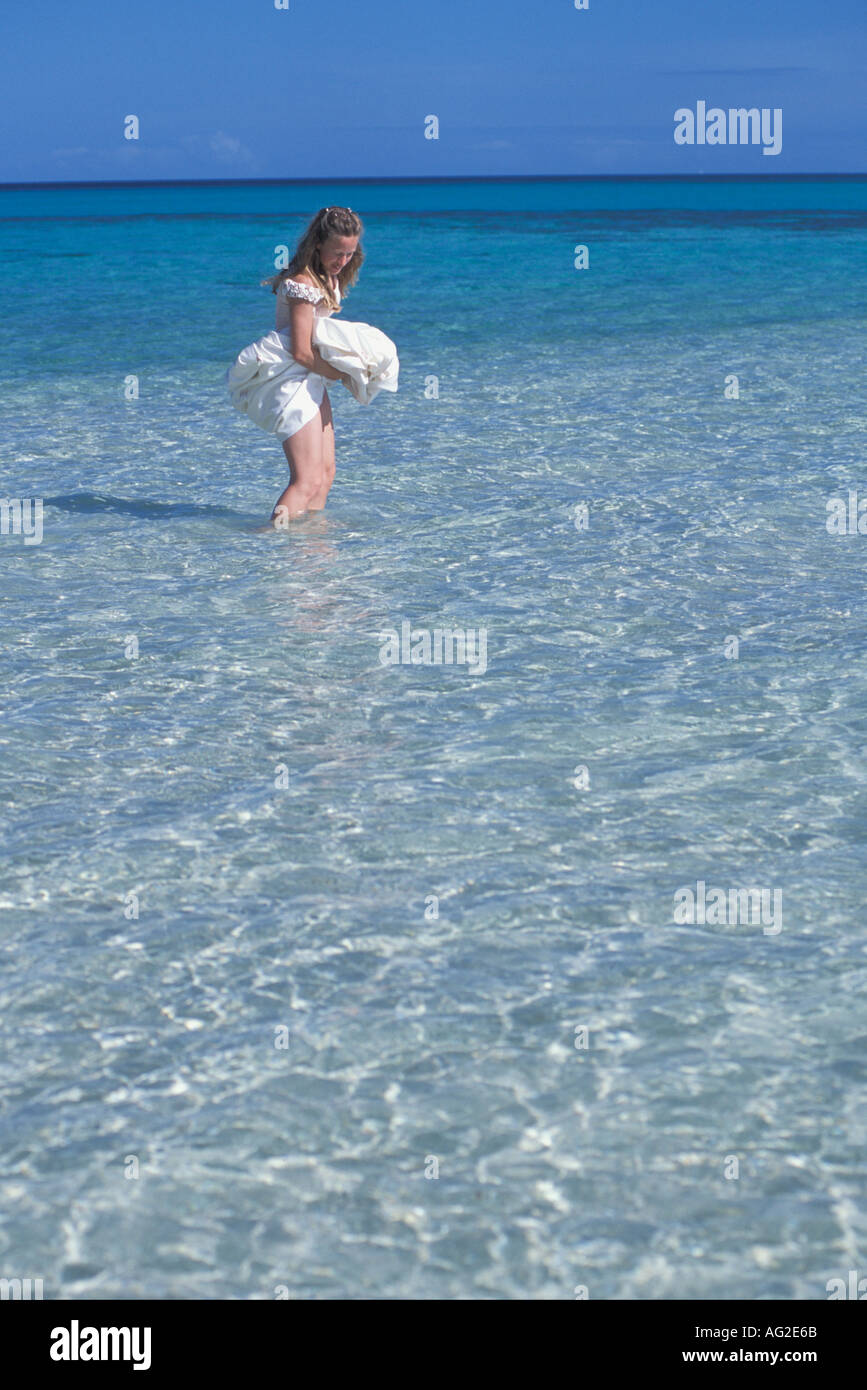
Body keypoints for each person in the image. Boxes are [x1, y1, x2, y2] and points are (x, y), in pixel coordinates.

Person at [260, 206, 363, 524]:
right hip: (290, 380)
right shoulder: (303, 282)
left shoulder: (330, 277)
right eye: (337, 253)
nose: (343, 261)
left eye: (349, 254)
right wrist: (344, 376)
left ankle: (308, 542)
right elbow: (301, 353)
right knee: (305, 480)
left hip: (312, 379)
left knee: (326, 473)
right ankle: (269, 542)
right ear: (317, 243)